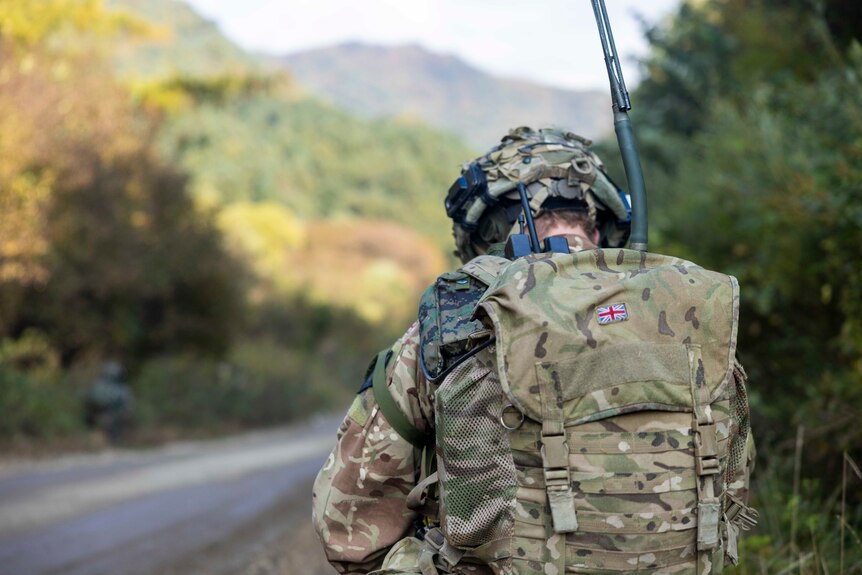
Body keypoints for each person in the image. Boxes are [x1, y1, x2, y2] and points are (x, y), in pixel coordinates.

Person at [312, 127, 756, 574]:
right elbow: (732, 489)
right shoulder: (690, 317)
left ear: (494, 229)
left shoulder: (459, 320)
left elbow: (348, 528)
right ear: (599, 225)